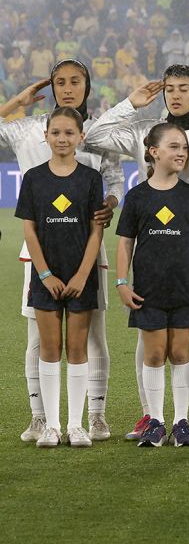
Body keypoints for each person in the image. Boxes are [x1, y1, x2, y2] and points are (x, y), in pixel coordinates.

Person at [85, 65, 189, 442]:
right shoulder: (146, 131)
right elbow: (94, 136)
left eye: (183, 88)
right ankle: (150, 415)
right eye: (169, 89)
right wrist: (130, 103)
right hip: (152, 249)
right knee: (148, 330)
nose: (174, 95)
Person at [0, 61, 123, 444]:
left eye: (75, 81)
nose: (68, 88)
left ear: (88, 84)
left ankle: (95, 416)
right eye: (60, 82)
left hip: (86, 247)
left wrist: (111, 201)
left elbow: (115, 180)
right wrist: (14, 103)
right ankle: (41, 418)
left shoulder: (100, 132)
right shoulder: (27, 126)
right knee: (39, 338)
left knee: (93, 336)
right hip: (39, 252)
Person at [115, 123, 189, 447]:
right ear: (154, 152)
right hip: (149, 290)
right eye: (173, 146)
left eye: (183, 147)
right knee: (155, 354)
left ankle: (181, 422)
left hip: (184, 289)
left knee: (181, 352)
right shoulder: (138, 196)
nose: (181, 152)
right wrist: (121, 282)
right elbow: (125, 242)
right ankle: (156, 421)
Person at [15, 107, 105, 448]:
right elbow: (29, 229)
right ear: (46, 136)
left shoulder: (90, 178)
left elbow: (97, 229)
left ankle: (76, 425)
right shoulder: (35, 178)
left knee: (78, 349)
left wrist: (83, 274)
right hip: (46, 277)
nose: (62, 138)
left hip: (81, 276)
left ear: (81, 137)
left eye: (69, 133)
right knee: (50, 349)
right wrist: (45, 274)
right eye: (56, 132)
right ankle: (51, 426)